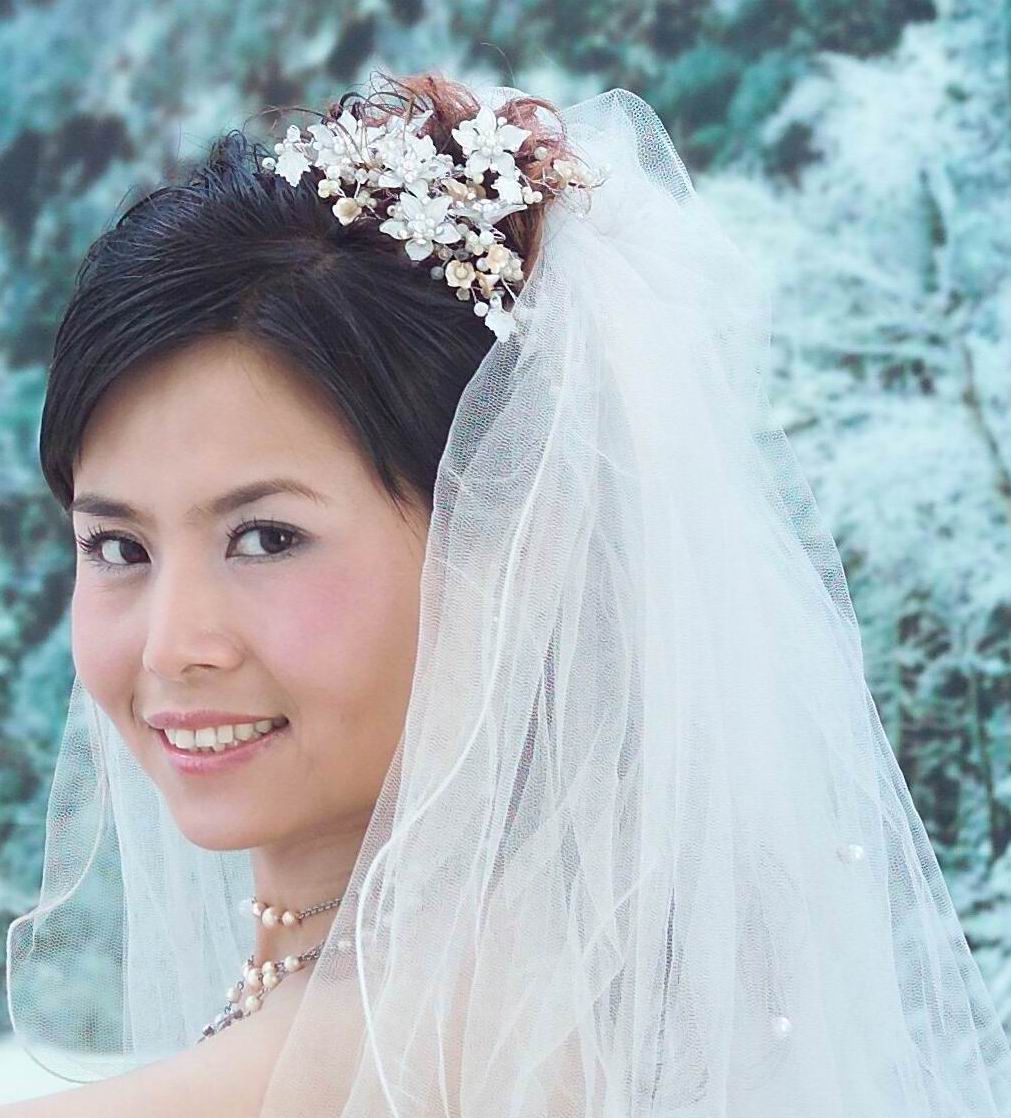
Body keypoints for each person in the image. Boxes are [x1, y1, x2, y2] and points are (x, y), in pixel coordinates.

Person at [5, 68, 1011, 1117]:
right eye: (118, 546)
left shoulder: (428, 1047)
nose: (173, 644)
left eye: (267, 538)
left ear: (504, 541)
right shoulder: (537, 984)